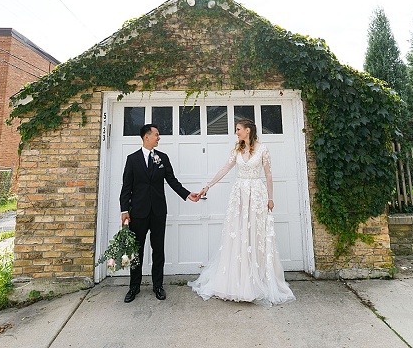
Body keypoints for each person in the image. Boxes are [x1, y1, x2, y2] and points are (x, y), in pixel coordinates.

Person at [189, 119, 295, 306]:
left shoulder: (263, 149)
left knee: (256, 234)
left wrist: (271, 198)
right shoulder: (237, 150)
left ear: (248, 130)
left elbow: (269, 174)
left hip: (257, 195)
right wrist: (208, 186)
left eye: (238, 129)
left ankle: (258, 280)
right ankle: (238, 281)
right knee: (238, 234)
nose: (236, 132)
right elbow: (224, 169)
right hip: (239, 195)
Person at [120, 123, 200, 303]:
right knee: (136, 252)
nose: (159, 137)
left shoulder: (162, 157)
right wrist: (124, 210)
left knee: (158, 250)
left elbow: (172, 180)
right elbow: (126, 187)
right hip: (138, 213)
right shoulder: (132, 159)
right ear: (146, 137)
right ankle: (134, 287)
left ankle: (158, 286)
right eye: (156, 134)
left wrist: (187, 195)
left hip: (157, 212)